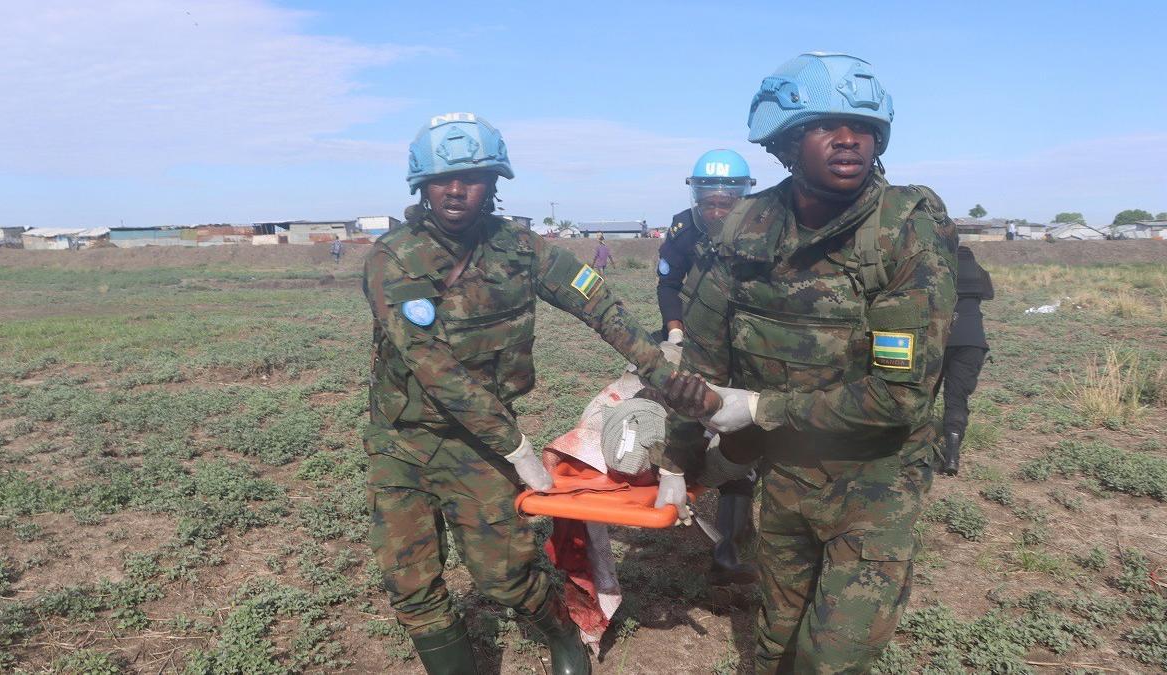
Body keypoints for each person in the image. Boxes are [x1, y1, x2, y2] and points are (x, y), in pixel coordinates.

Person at [660, 53, 958, 672]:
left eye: (863, 126)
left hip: (875, 483)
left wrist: (762, 408)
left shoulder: (901, 231)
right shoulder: (749, 225)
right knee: (774, 638)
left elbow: (899, 396)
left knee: (833, 659)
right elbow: (705, 360)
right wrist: (682, 459)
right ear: (787, 141)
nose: (849, 138)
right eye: (825, 125)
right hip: (787, 476)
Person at [363, 112, 676, 675]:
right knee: (409, 582)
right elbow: (432, 364)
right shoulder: (395, 258)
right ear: (421, 186)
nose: (456, 189)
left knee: (505, 576)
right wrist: (515, 447)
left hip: (475, 446)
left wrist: (662, 368)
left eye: (473, 176)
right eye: (442, 178)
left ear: (496, 183)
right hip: (402, 440)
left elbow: (597, 302)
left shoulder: (524, 250)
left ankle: (560, 632)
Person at [656, 149, 759, 585]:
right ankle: (678, 485)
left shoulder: (762, 226)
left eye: (726, 200)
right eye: (709, 199)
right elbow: (668, 283)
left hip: (745, 340)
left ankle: (731, 546)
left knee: (741, 436)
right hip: (694, 338)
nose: (716, 208)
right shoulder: (683, 228)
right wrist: (675, 329)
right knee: (688, 419)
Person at [940, 245, 993, 475]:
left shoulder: (941, 271)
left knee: (922, 395)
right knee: (956, 399)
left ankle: (914, 449)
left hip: (939, 338)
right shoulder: (979, 273)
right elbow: (989, 295)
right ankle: (951, 454)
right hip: (972, 342)